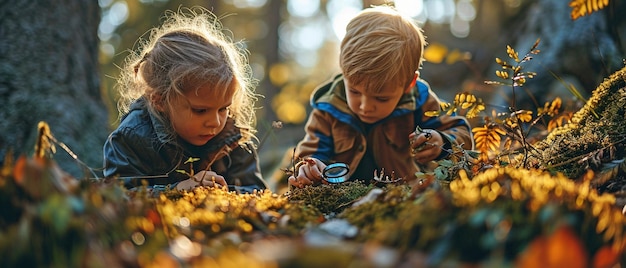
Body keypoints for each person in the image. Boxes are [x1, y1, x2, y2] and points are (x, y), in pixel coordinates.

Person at [288, 5, 474, 188]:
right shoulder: (328, 109)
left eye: (381, 98)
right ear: (344, 72)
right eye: (354, 92)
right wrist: (310, 168)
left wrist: (441, 142)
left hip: (403, 197)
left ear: (409, 83)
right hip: (340, 201)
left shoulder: (419, 101)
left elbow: (462, 134)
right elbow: (311, 154)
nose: (365, 106)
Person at [103, 7, 268, 194]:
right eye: (200, 110)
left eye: (223, 109)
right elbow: (118, 195)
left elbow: (257, 191)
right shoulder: (132, 137)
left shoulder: (231, 137)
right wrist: (177, 191)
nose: (215, 122)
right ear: (160, 101)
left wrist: (219, 194)